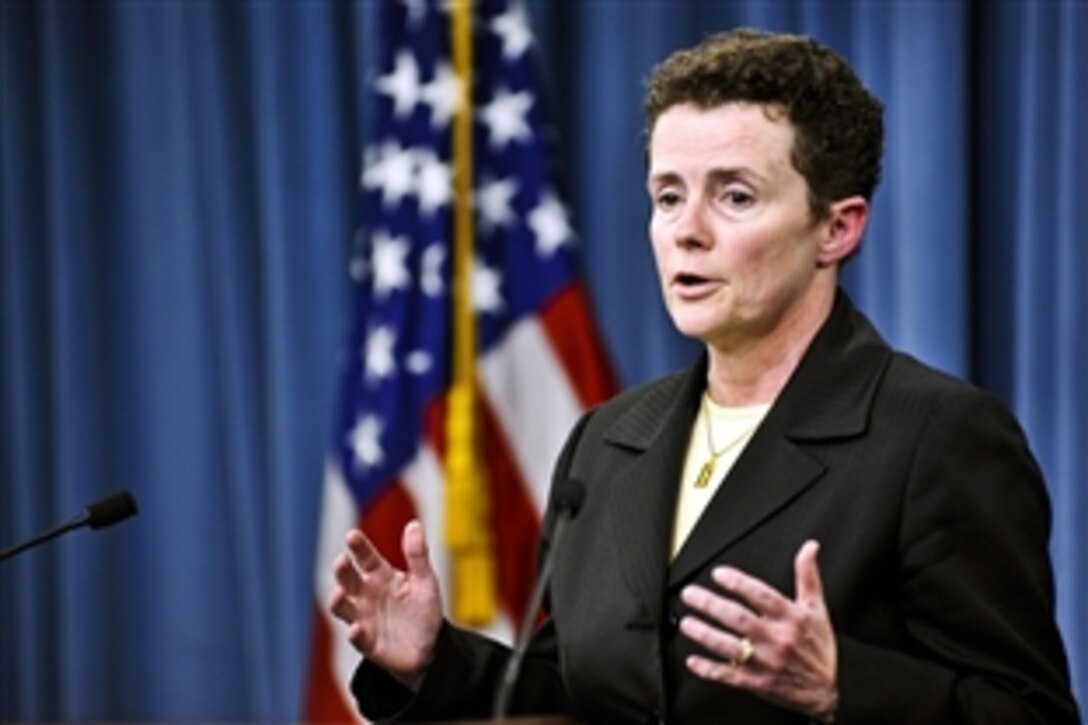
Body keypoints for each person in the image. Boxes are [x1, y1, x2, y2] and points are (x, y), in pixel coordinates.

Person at [328, 28, 1080, 723]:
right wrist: (435, 659)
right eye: (667, 195)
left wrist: (843, 684)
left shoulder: (936, 437)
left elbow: (1029, 712)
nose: (687, 229)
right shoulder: (609, 441)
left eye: (735, 195)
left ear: (838, 227)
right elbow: (592, 692)